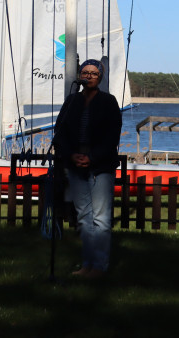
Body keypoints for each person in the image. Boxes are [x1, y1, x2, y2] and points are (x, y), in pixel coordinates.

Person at [53, 59, 122, 277]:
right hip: (75, 164)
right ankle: (87, 264)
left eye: (94, 73)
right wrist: (70, 155)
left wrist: (91, 157)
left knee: (100, 218)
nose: (89, 76)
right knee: (84, 217)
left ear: (100, 77)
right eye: (85, 72)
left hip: (100, 166)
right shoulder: (72, 100)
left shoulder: (108, 101)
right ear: (80, 76)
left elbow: (112, 136)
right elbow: (60, 132)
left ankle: (99, 266)